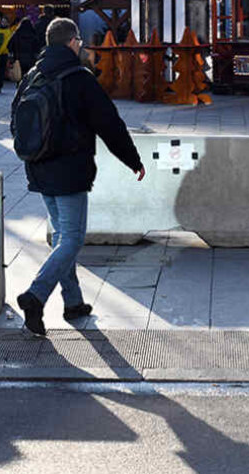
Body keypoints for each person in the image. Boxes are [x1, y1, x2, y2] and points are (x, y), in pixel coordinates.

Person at [14, 17, 145, 336]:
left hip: (39, 165)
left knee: (62, 237)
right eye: (79, 42)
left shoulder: (33, 74)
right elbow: (109, 123)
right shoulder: (79, 77)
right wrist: (133, 160)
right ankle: (36, 295)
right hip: (70, 169)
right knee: (71, 238)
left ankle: (73, 302)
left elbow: (17, 121)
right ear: (72, 42)